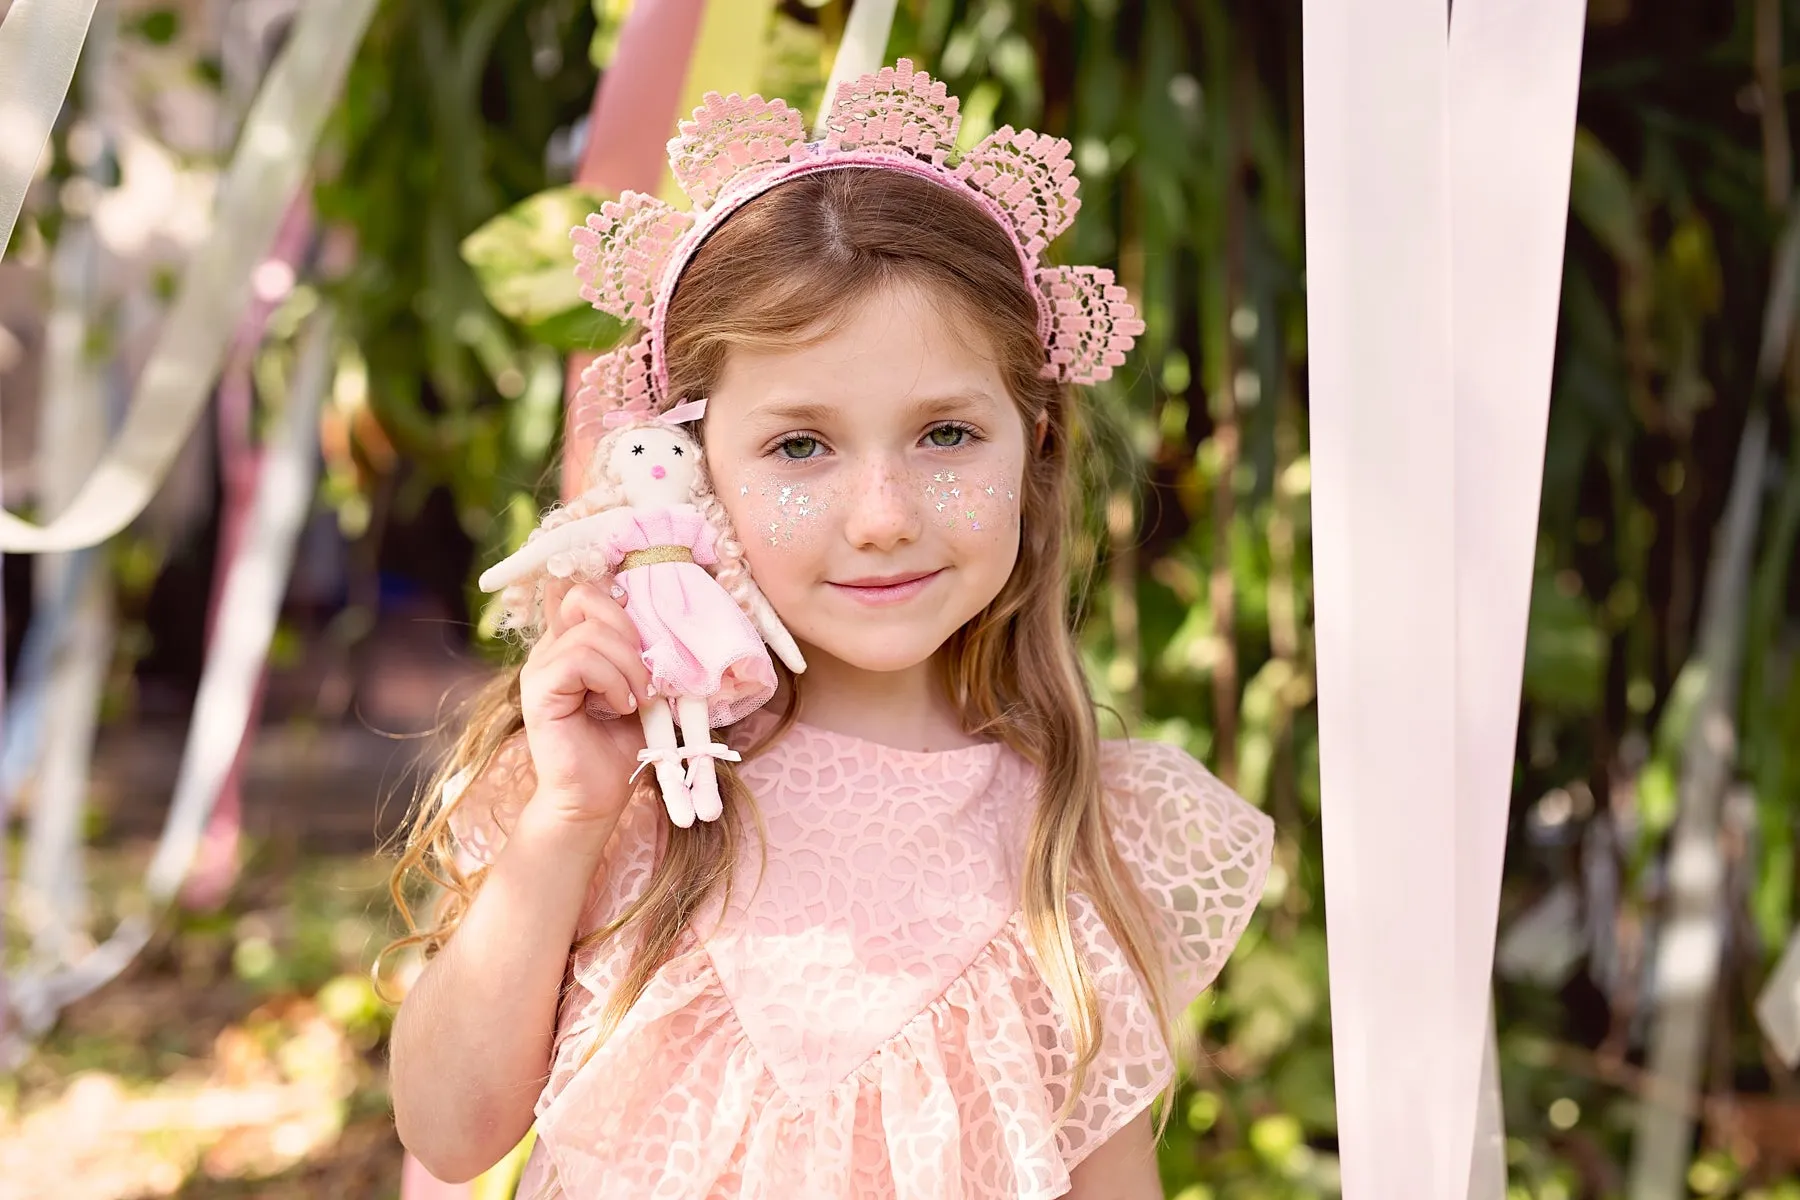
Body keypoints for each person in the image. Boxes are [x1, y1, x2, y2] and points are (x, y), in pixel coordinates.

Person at [383, 60, 1275, 1200]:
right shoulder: (624, 794)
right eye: (800, 447)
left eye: (946, 434)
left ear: (1037, 443)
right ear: (691, 470)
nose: (883, 517)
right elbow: (452, 1133)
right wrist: (566, 819)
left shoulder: (1081, 836)